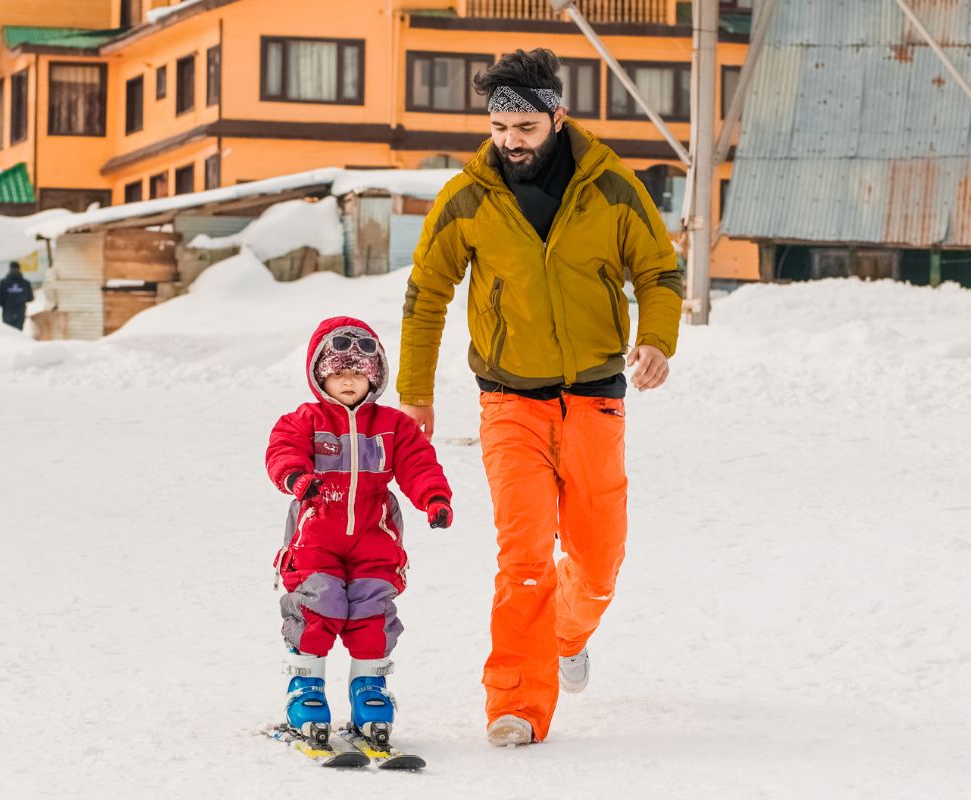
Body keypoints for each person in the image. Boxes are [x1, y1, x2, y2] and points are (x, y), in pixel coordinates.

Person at [397, 48, 683, 746]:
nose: (511, 141)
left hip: (594, 398)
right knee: (524, 557)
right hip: (508, 401)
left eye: (524, 127)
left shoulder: (611, 187)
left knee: (598, 562)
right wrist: (414, 393)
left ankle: (565, 635)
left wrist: (657, 340)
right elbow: (426, 293)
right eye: (499, 128)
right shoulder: (468, 197)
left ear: (557, 116)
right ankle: (516, 705)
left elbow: (659, 271)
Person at [265, 316, 453, 746]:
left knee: (372, 613)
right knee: (319, 606)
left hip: (375, 538)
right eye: (337, 373)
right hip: (316, 537)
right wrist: (297, 478)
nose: (348, 381)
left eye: (358, 372)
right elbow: (282, 451)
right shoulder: (305, 420)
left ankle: (370, 692)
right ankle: (305, 690)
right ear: (320, 377)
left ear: (375, 375)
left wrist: (434, 499)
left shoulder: (393, 425)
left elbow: (419, 464)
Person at [0, 261, 34, 330]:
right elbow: (30, 298)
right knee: (18, 333)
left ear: (9, 269)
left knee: (8, 332)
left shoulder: (4, 282)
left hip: (8, 312)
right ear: (19, 269)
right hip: (20, 312)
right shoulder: (25, 283)